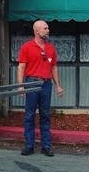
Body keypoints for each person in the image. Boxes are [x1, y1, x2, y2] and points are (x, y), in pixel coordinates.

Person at [17, 20, 63, 157]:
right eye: (45, 28)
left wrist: (58, 85)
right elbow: (21, 67)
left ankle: (46, 146)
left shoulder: (51, 48)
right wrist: (21, 86)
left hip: (46, 84)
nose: (48, 30)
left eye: (48, 28)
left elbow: (54, 67)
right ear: (37, 31)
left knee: (45, 115)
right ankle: (29, 145)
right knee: (29, 115)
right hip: (31, 83)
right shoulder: (27, 47)